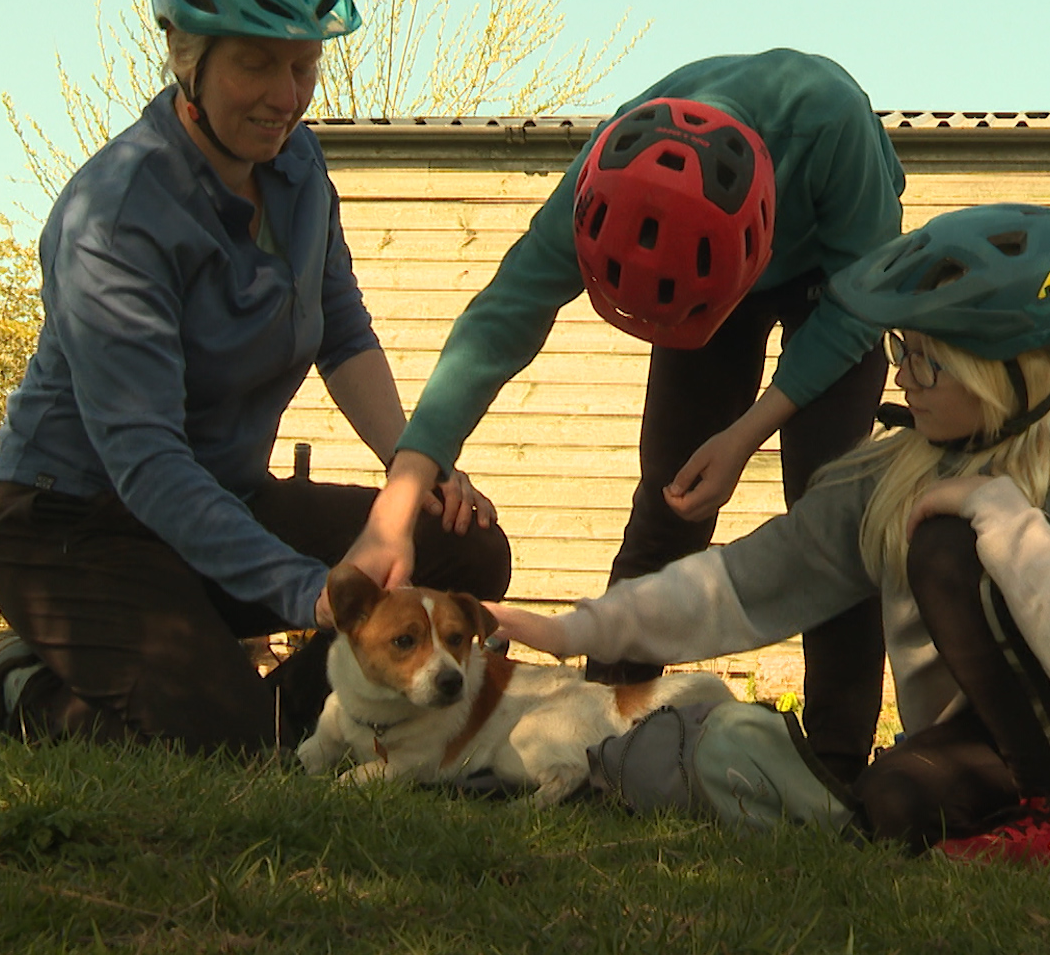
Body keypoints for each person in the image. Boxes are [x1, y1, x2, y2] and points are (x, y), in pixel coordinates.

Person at [0, 0, 510, 755]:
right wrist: (315, 591)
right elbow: (148, 463)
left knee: (464, 549)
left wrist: (413, 476)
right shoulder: (116, 217)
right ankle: (23, 693)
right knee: (238, 756)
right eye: (256, 66)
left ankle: (292, 719)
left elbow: (342, 333)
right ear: (186, 59)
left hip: (222, 501)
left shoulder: (299, 167)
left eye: (304, 66)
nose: (287, 96)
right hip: (78, 527)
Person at [491, 204, 1050, 875]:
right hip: (1013, 738)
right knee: (890, 807)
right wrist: (571, 627)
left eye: (926, 358)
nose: (902, 373)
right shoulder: (895, 466)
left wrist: (998, 509)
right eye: (901, 348)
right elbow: (747, 581)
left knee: (945, 545)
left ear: (1004, 370)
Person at [344, 49, 906, 780]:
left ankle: (837, 766)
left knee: (834, 512)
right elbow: (501, 320)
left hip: (838, 283)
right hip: (695, 269)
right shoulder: (603, 176)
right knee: (667, 506)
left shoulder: (829, 124)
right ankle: (600, 737)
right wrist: (399, 500)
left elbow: (864, 304)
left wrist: (746, 432)